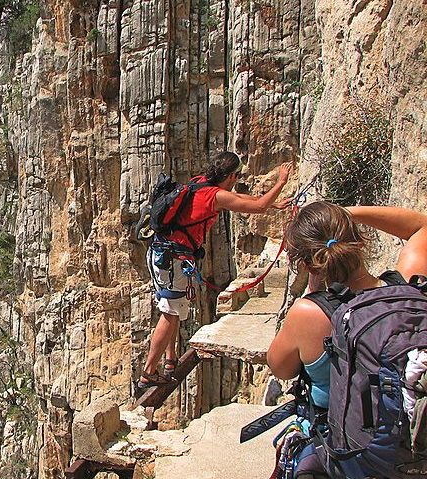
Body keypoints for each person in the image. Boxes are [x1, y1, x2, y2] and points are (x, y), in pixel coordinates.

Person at [137, 152, 293, 392]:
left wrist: (273, 203)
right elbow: (255, 207)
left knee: (173, 309)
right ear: (230, 175)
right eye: (236, 176)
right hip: (173, 260)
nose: (236, 180)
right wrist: (281, 181)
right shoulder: (215, 195)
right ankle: (148, 372)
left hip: (163, 254)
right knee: (169, 314)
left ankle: (170, 360)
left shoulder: (200, 182)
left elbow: (239, 198)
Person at [267, 202, 427, 407]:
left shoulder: (306, 314)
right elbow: (421, 227)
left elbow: (281, 368)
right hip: (411, 430)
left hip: (343, 437)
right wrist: (345, 213)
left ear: (309, 266)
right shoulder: (408, 286)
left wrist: (315, 296)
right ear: (359, 241)